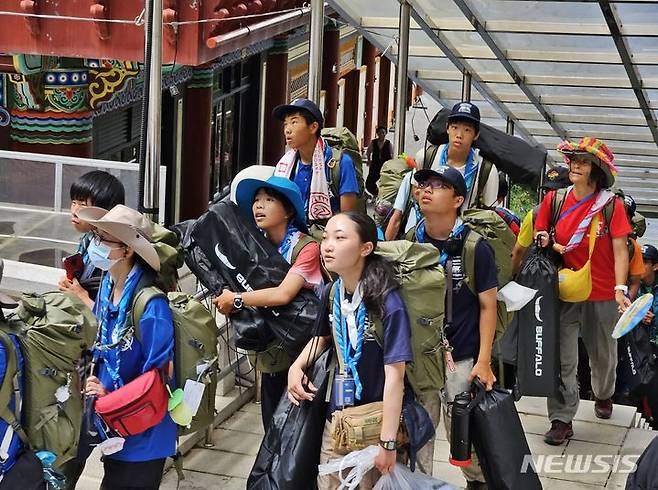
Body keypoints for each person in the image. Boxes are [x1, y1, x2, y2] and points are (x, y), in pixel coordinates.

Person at [287, 212, 412, 489]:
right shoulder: (332, 292)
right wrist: (296, 367)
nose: (327, 245)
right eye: (326, 237)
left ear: (365, 248)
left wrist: (388, 443)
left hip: (376, 422)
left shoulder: (388, 302)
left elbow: (395, 377)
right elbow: (322, 338)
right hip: (340, 420)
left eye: (340, 238)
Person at [535, 138, 632, 445]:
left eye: (583, 161)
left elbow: (620, 250)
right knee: (563, 357)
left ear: (597, 170)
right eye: (573, 159)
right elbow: (540, 230)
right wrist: (543, 238)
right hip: (565, 289)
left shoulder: (611, 206)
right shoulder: (555, 201)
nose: (575, 164)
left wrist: (620, 289)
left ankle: (603, 394)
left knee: (604, 356)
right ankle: (561, 418)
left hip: (602, 292)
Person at [213, 175, 323, 430]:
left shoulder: (306, 248)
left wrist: (237, 299)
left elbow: (283, 294)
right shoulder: (256, 245)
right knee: (272, 424)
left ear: (288, 211)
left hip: (303, 351)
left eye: (269, 200)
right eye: (256, 200)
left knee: (297, 430)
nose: (259, 206)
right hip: (272, 350)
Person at [77, 204, 176, 490]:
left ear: (127, 250)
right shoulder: (108, 286)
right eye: (94, 236)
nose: (94, 244)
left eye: (102, 239)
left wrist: (110, 395)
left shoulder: (151, 306)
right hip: (114, 423)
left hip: (143, 430)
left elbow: (157, 379)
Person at [411, 166, 497, 489]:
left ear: (458, 199)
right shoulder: (411, 241)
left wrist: (484, 359)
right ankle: (418, 482)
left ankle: (477, 481)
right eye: (424, 184)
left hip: (461, 358)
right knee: (419, 430)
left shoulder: (476, 248)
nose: (427, 190)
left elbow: (488, 306)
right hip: (420, 358)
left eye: (438, 185)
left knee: (465, 431)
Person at [385, 101, 499, 240]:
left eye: (467, 130)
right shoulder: (427, 156)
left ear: (476, 135)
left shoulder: (486, 170)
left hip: (462, 241)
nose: (459, 135)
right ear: (447, 128)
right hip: (423, 234)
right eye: (455, 127)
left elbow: (490, 216)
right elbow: (415, 192)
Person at [272, 98, 360, 226]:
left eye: (294, 122)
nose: (287, 130)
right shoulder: (285, 166)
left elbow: (346, 221)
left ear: (313, 127)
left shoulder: (340, 164)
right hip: (291, 237)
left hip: (325, 239)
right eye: (285, 124)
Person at [58, 170, 125, 309]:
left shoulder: (116, 254)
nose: (74, 211)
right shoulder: (88, 240)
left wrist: (82, 296)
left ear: (105, 209)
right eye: (73, 202)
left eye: (82, 205)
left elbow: (117, 319)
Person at [511, 165, 571, 275]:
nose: (549, 196)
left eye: (555, 193)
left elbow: (519, 251)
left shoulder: (534, 214)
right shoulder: (534, 215)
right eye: (546, 191)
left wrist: (513, 276)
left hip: (541, 277)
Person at [365, 126, 394, 197]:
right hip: (375, 165)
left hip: (385, 166)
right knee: (369, 183)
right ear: (377, 134)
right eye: (381, 133)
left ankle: (384, 196)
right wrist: (369, 160)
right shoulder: (373, 142)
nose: (383, 134)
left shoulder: (388, 143)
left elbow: (392, 154)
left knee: (385, 182)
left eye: (384, 133)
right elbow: (368, 152)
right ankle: (376, 193)